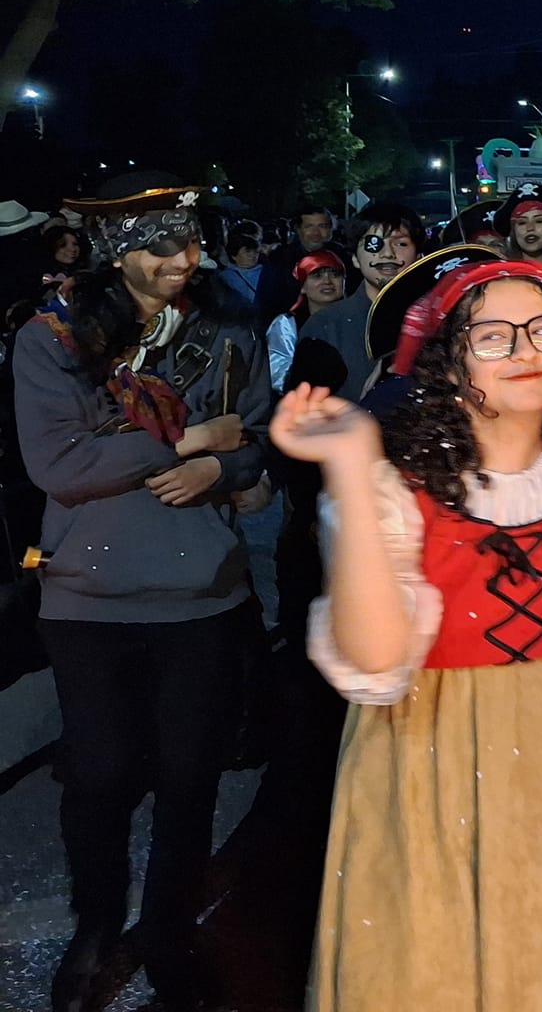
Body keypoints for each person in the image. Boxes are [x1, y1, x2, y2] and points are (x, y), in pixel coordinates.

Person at [276, 257, 542, 1010]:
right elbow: (375, 661)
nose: (526, 349)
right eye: (492, 335)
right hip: (425, 752)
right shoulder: (393, 487)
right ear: (447, 356)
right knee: (429, 964)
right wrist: (352, 469)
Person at [14, 176, 273, 1011]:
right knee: (96, 773)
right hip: (90, 600)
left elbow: (258, 435)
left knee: (191, 775)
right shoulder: (55, 339)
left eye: (190, 242)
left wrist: (223, 465)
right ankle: (96, 925)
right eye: (161, 245)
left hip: (202, 598)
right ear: (112, 252)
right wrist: (181, 441)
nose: (183, 259)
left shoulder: (228, 329)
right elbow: (59, 466)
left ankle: (166, 927)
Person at [301, 203, 424, 399]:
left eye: (401, 244)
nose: (387, 254)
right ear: (355, 259)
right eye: (373, 244)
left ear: (419, 257)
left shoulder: (441, 322)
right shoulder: (325, 326)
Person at [266, 248, 347, 392]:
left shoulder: (357, 318)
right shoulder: (288, 324)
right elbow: (278, 374)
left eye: (335, 274)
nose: (327, 281)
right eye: (317, 275)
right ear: (302, 286)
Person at [256, 202, 337, 320]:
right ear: (298, 229)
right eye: (309, 227)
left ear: (330, 229)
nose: (316, 233)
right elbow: (265, 302)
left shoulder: (342, 257)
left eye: (322, 226)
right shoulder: (280, 259)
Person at [216, 223, 265, 305]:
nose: (252, 255)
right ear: (234, 255)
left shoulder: (266, 270)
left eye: (256, 252)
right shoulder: (226, 277)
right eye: (247, 251)